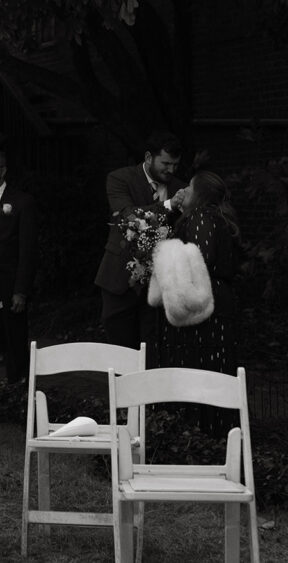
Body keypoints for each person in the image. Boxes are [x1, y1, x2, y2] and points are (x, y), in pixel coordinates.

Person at [157, 171, 240, 435]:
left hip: (205, 306)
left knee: (202, 369)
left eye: (190, 188)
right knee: (208, 370)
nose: (185, 191)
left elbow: (198, 261)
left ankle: (204, 439)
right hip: (215, 301)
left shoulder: (202, 217)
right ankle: (212, 437)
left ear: (201, 194)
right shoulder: (216, 218)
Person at [94, 131, 186, 359]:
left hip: (160, 283)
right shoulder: (120, 179)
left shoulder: (181, 187)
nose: (171, 170)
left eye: (175, 165)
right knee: (120, 350)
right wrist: (169, 205)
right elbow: (127, 216)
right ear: (148, 157)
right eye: (166, 163)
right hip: (119, 277)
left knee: (155, 349)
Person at [0, 148, 37, 382]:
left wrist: (20, 291)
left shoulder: (22, 202)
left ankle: (18, 389)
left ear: (3, 171)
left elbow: (28, 250)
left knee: (13, 339)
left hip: (8, 282)